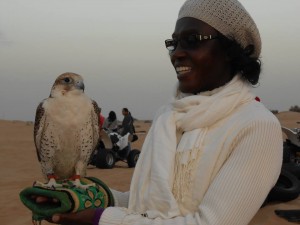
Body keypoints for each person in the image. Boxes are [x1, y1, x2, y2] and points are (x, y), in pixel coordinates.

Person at [34, 0, 283, 224]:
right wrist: (88, 198)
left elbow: (209, 222)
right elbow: (146, 203)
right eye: (173, 43)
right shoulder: (169, 118)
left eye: (192, 41)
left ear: (232, 51)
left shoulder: (256, 126)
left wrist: (100, 219)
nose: (177, 53)